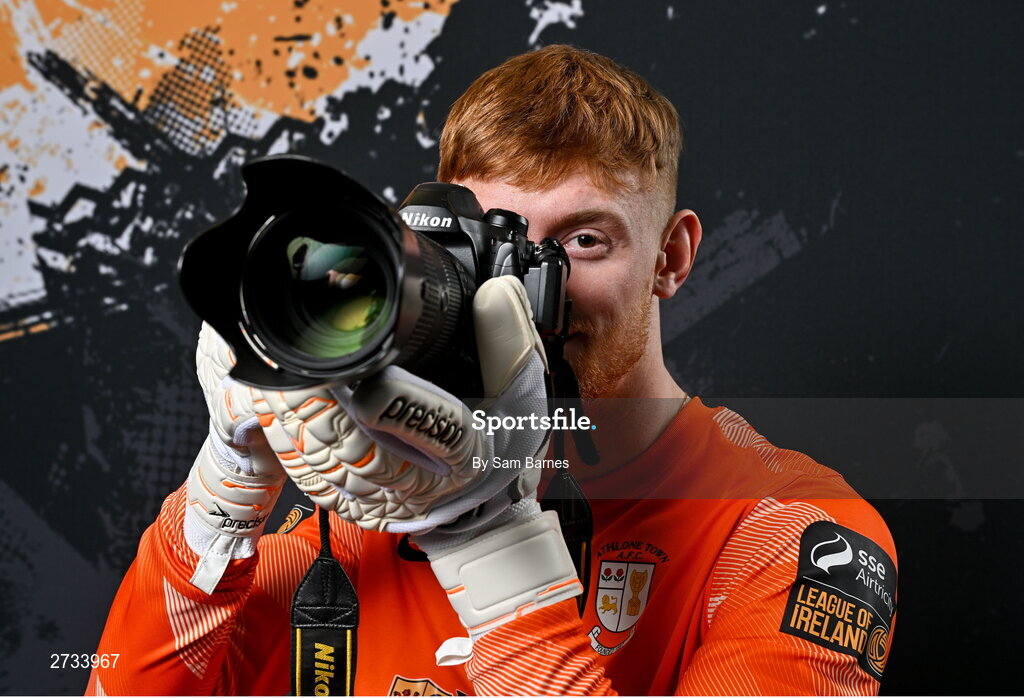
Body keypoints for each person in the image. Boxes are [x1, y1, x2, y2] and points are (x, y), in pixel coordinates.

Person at [87, 45, 897, 696]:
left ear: (671, 256)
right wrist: (220, 501)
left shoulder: (789, 532)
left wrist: (489, 536)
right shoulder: (366, 521)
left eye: (583, 242)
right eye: (492, 248)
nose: (523, 297)